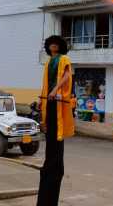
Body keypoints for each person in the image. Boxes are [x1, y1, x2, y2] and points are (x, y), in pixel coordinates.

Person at [37, 35, 74, 206]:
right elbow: (45, 83)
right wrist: (42, 97)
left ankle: (53, 169)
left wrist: (55, 90)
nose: (53, 45)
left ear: (60, 46)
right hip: (49, 99)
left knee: (57, 134)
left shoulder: (63, 59)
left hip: (57, 99)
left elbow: (67, 76)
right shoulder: (48, 62)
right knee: (50, 133)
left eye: (56, 43)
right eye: (50, 43)